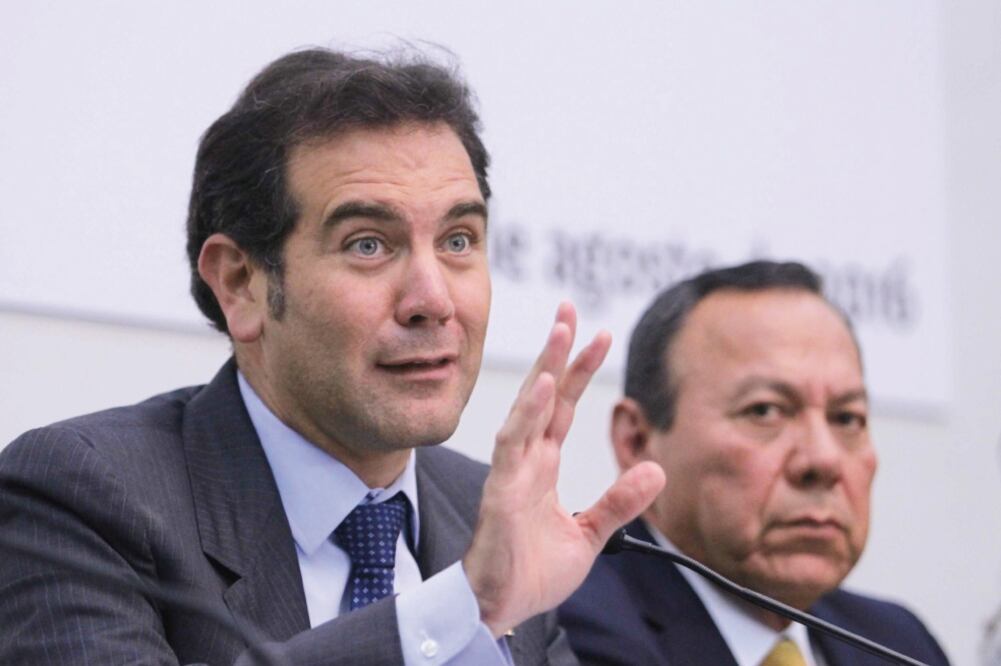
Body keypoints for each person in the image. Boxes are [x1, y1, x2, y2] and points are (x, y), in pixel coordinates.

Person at [0, 48, 664, 665]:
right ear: (241, 283)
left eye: (459, 241)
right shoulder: (84, 496)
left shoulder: (483, 515)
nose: (432, 301)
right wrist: (459, 610)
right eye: (368, 245)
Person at [558, 261, 950, 665]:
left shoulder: (899, 643)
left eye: (847, 418)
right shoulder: (569, 628)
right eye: (765, 411)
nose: (823, 459)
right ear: (637, 441)